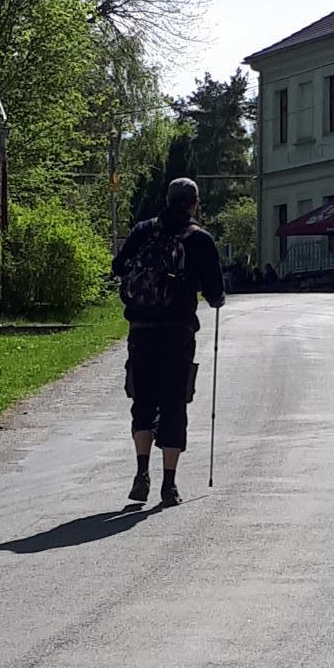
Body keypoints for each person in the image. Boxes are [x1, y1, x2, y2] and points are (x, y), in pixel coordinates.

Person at [113, 177, 225, 507]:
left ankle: (141, 473)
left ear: (166, 199)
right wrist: (212, 296)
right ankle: (169, 485)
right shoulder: (199, 238)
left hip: (141, 329)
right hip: (178, 333)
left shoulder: (143, 231)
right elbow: (215, 292)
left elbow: (118, 266)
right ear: (194, 203)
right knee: (175, 402)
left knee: (143, 400)